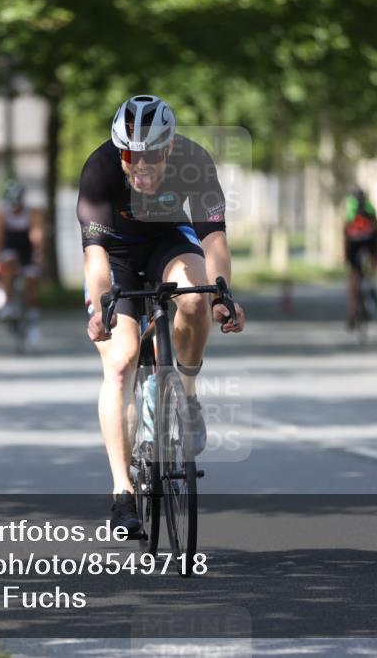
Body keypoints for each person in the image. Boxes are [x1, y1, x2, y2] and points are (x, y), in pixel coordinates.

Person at [77, 94, 246, 533]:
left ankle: (187, 397)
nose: (142, 165)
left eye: (152, 155)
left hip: (169, 241)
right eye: (131, 155)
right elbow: (95, 260)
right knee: (120, 362)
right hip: (114, 254)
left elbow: (214, 242)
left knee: (195, 299)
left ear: (170, 148)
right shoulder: (99, 169)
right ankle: (122, 492)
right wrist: (101, 309)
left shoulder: (195, 160)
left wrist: (222, 294)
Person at [0, 179, 44, 344]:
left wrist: (38, 255)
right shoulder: (1, 213)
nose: (14, 208)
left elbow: (37, 235)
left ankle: (32, 318)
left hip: (28, 250)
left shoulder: (32, 212)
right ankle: (8, 303)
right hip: (10, 249)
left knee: (32, 281)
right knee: (9, 263)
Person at [342, 187, 377, 329]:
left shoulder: (349, 207)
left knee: (353, 276)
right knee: (371, 265)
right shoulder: (370, 207)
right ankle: (372, 285)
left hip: (353, 244)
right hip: (370, 242)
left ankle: (351, 312)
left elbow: (345, 230)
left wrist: (345, 253)